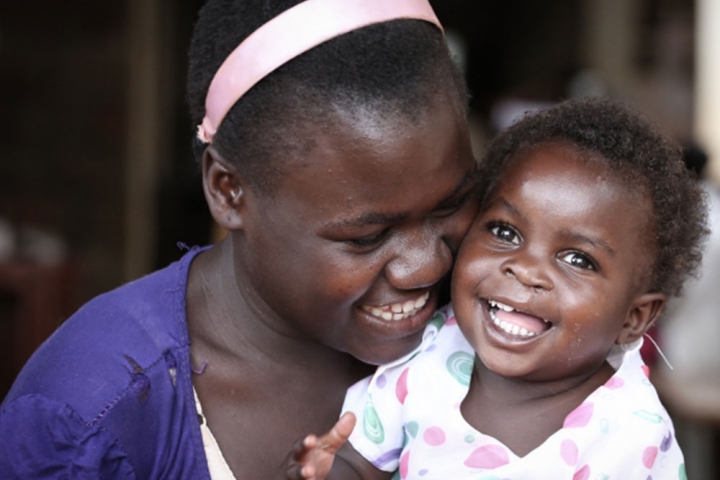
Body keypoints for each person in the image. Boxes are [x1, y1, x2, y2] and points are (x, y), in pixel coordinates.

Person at [0, 1, 480, 478]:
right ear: (228, 191)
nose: (427, 266)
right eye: (367, 236)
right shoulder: (93, 414)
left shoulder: (500, 337)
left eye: (451, 204)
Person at [288, 98, 707, 480]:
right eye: (504, 231)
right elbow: (359, 464)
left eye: (578, 259)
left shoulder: (631, 434)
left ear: (634, 318)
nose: (524, 270)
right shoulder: (429, 355)